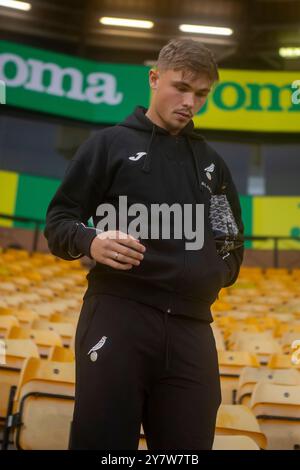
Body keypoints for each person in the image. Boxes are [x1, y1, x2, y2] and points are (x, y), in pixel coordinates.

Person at [44, 38, 244, 450]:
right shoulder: (108, 145)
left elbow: (230, 235)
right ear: (154, 78)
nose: (190, 102)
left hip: (192, 328)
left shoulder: (212, 166)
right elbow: (58, 221)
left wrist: (217, 271)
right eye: (181, 87)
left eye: (202, 94)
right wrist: (90, 241)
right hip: (118, 316)